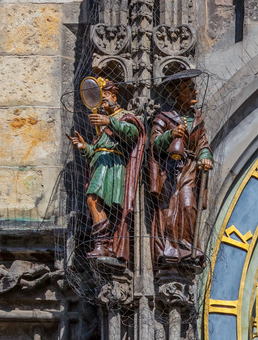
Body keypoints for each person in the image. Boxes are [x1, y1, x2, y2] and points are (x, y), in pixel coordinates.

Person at [67, 78, 145, 262]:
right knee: (94, 200)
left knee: (94, 199)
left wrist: (109, 121)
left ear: (113, 95)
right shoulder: (101, 125)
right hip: (100, 163)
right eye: (100, 99)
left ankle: (105, 242)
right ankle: (103, 243)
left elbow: (133, 133)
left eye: (105, 97)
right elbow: (97, 149)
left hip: (113, 165)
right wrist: (84, 147)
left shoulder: (124, 116)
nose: (103, 102)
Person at [149, 69, 214, 265]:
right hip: (169, 170)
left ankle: (187, 247)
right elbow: (154, 143)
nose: (195, 92)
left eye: (194, 88)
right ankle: (170, 248)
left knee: (188, 206)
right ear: (177, 93)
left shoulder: (197, 118)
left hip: (189, 170)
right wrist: (171, 135)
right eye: (189, 88)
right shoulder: (164, 116)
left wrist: (205, 157)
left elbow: (203, 144)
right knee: (169, 210)